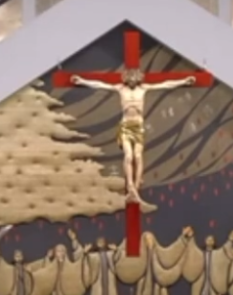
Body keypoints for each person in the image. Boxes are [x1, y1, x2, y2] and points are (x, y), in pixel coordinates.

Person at [71, 70, 195, 203]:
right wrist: (82, 81)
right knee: (129, 156)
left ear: (138, 79)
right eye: (129, 79)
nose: (131, 81)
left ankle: (135, 188)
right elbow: (100, 84)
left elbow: (165, 84)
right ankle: (130, 185)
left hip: (138, 126)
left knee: (138, 156)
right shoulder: (120, 88)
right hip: (125, 126)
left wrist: (183, 81)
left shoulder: (143, 88)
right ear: (125, 79)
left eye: (134, 78)